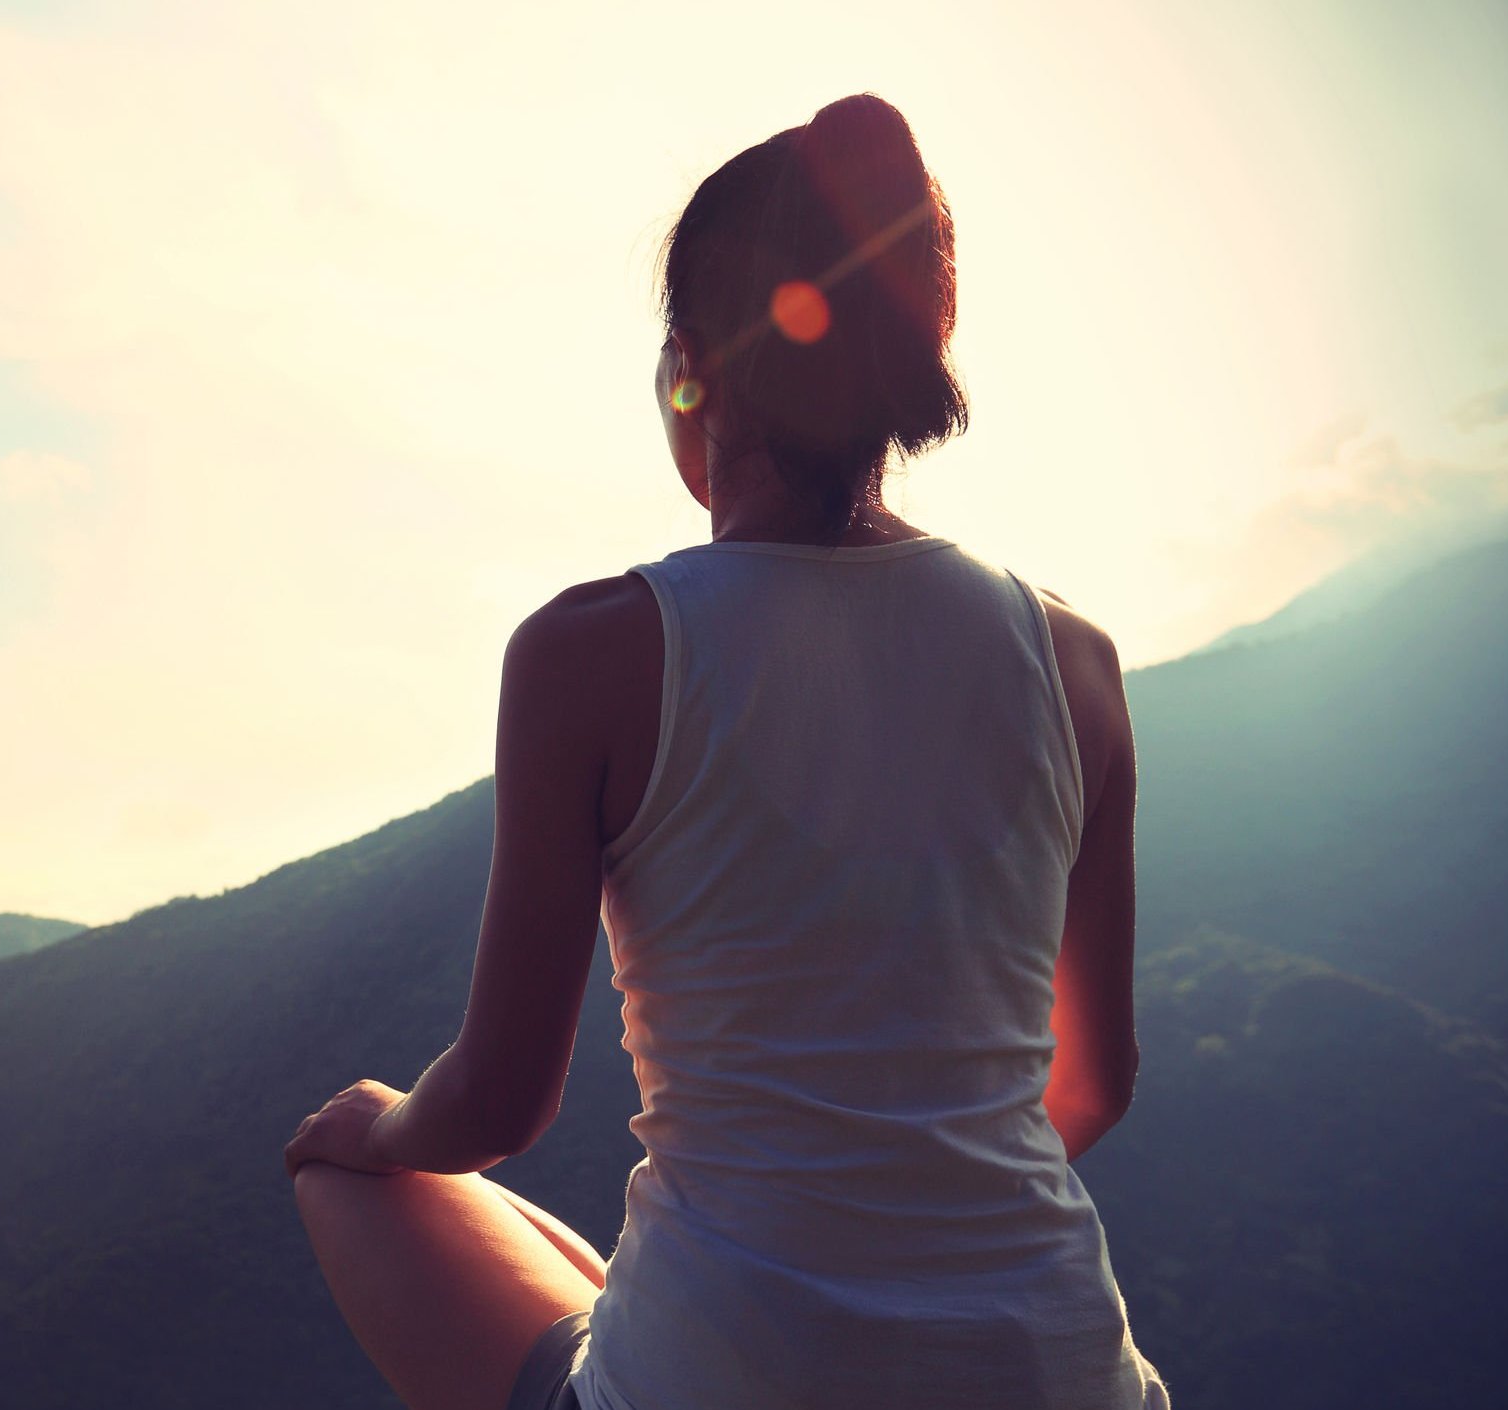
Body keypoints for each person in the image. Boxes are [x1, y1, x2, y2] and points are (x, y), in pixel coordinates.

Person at [282, 92, 1171, 1410]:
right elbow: (1093, 1078)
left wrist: (380, 1122)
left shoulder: (592, 652)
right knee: (597, 1286)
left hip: (735, 1379)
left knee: (349, 1173)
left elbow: (499, 1101)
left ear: (693, 370)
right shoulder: (1076, 664)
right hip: (1059, 1371)